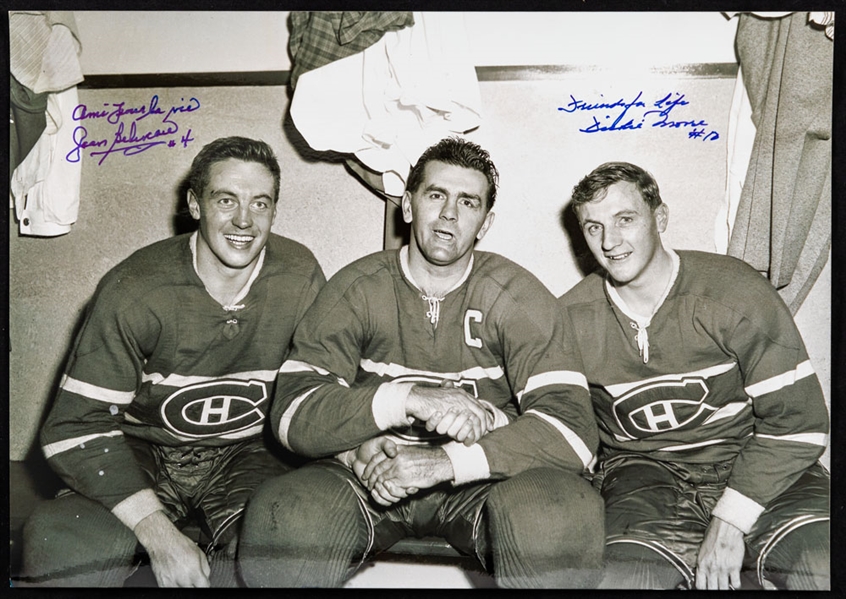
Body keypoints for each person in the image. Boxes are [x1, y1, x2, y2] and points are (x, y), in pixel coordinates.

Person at [238, 137, 604, 588]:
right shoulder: (357, 287)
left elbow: (573, 433)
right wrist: (386, 418)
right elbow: (291, 415)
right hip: (372, 472)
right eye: (436, 195)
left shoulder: (518, 295)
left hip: (478, 481)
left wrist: (447, 462)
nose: (450, 214)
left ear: (484, 224)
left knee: (556, 517)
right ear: (408, 206)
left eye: (467, 202)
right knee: (285, 520)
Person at [21, 136, 326, 587]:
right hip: (139, 447)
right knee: (68, 544)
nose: (244, 220)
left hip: (246, 450)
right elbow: (74, 426)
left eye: (260, 203)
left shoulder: (299, 276)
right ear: (195, 205)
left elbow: (321, 392)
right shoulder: (136, 289)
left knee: (287, 547)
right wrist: (158, 534)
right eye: (226, 199)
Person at [559, 161, 830, 590]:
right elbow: (548, 420)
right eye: (593, 227)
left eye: (624, 219)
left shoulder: (734, 292)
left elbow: (800, 424)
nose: (609, 242)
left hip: (757, 460)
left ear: (659, 218)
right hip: (645, 473)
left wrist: (731, 518)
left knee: (822, 562)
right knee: (624, 579)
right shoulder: (569, 319)